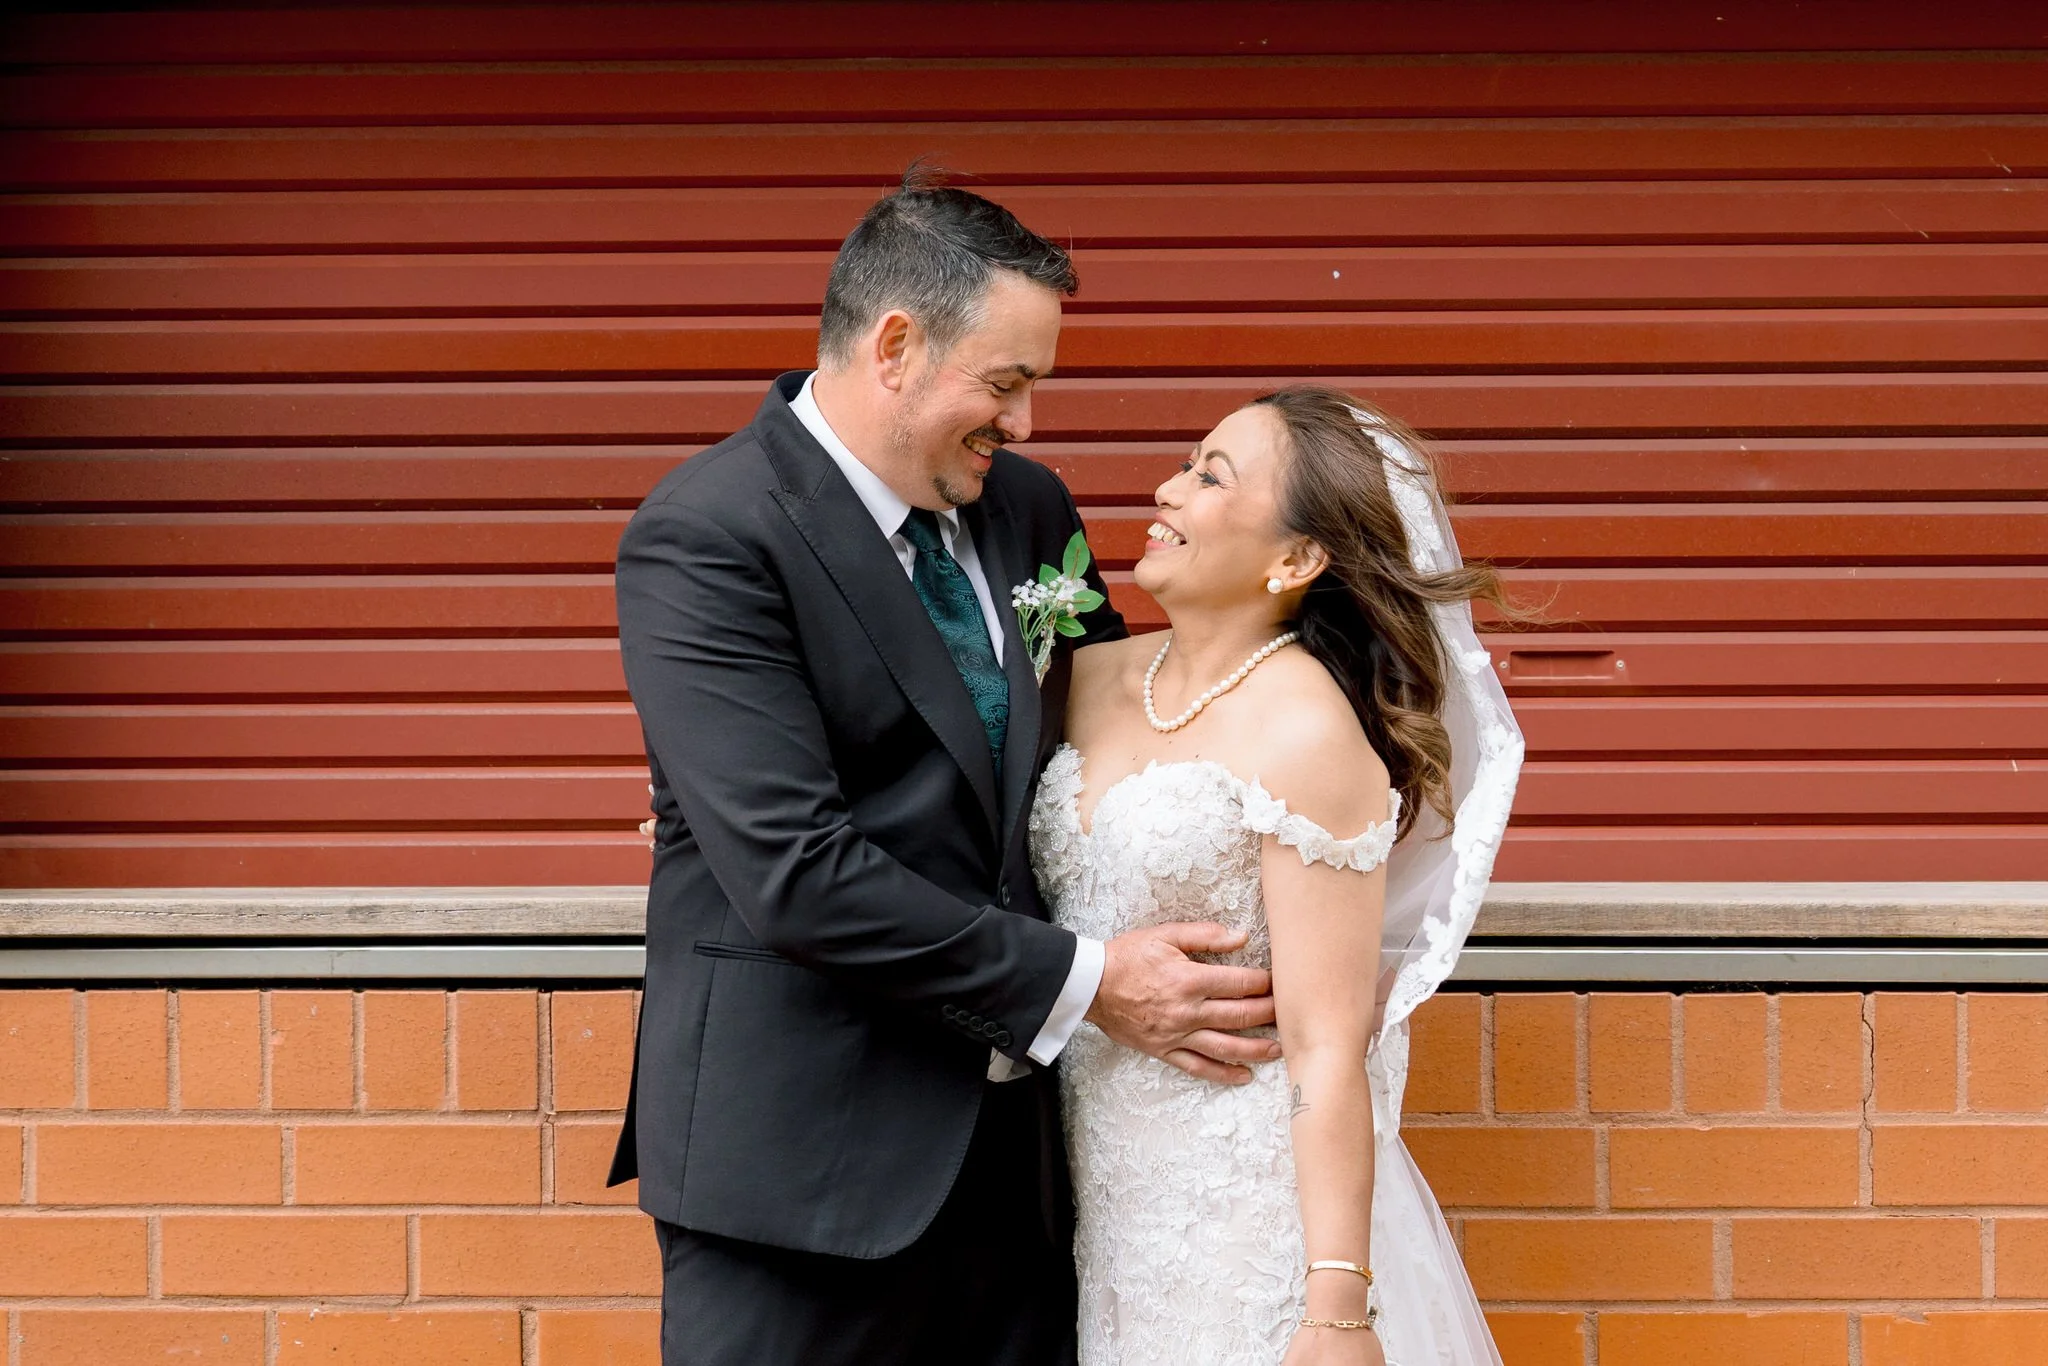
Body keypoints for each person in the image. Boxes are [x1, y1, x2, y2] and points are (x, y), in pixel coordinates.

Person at [609, 167, 1282, 1366]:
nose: (1023, 424)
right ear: (897, 345)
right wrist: (1088, 983)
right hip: (800, 1177)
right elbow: (796, 872)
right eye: (1006, 383)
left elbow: (1119, 727)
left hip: (1019, 1173)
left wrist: (1316, 699)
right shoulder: (708, 536)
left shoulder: (1025, 507)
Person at [1032, 385, 1525, 1365]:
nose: (1168, 489)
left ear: (1296, 559)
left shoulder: (1304, 730)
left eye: (1211, 476)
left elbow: (1327, 1044)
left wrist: (1334, 1307)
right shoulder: (1080, 678)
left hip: (1246, 1222)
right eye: (1185, 461)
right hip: (1102, 1203)